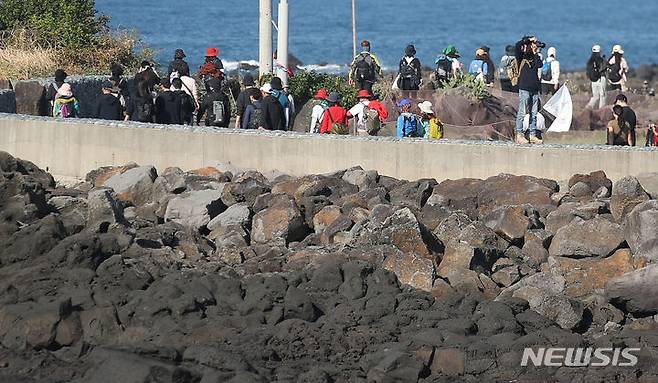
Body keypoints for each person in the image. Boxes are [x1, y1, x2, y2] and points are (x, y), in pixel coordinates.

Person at [514, 36, 544, 144]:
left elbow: (539, 65)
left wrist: (536, 52)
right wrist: (528, 40)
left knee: (534, 113)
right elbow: (517, 45)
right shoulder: (521, 56)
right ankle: (519, 134)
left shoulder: (536, 56)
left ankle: (532, 135)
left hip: (534, 88)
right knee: (522, 112)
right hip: (524, 87)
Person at [585, 45, 607, 109]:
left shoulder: (590, 61)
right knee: (602, 96)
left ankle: (588, 107)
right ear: (600, 51)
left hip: (593, 80)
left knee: (595, 96)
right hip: (601, 79)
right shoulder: (601, 60)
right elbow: (604, 68)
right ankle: (601, 110)